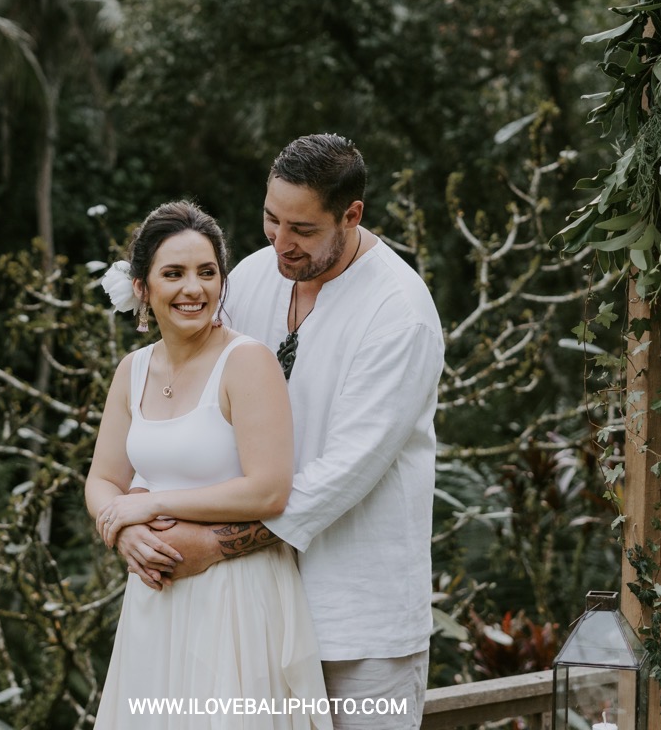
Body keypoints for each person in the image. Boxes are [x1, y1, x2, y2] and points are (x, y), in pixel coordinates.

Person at [118, 135, 445, 730]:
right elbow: (190, 397)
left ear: (351, 215)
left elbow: (341, 476)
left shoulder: (400, 315)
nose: (281, 242)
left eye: (303, 229)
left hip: (358, 623)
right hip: (251, 613)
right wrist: (133, 519)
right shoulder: (251, 276)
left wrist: (211, 543)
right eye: (271, 218)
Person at [86, 200, 332, 729]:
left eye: (207, 272)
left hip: (236, 597)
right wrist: (122, 532)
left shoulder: (246, 361)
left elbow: (269, 490)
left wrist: (149, 505)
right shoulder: (132, 370)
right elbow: (104, 479)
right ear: (142, 287)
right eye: (173, 273)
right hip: (156, 596)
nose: (193, 288)